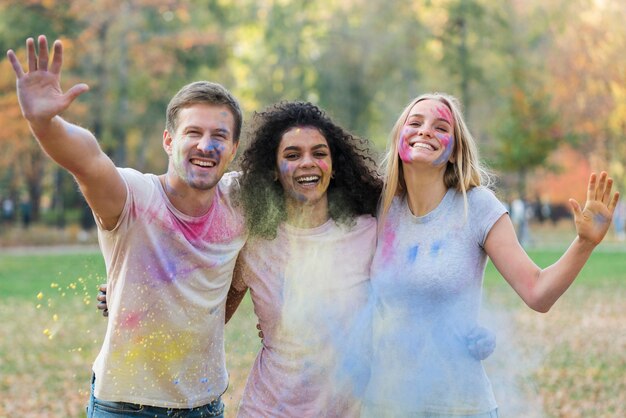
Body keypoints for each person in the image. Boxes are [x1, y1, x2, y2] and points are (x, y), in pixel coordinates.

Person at [7, 35, 246, 417]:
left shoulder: (240, 202)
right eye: (193, 133)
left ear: (233, 149)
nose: (206, 145)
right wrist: (45, 122)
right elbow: (87, 160)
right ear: (169, 141)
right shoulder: (135, 196)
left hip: (205, 405)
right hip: (124, 407)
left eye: (219, 136)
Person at [363, 92, 620, 417]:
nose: (425, 130)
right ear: (399, 135)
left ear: (455, 151)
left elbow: (538, 292)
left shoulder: (478, 206)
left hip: (461, 407)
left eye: (440, 126)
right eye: (415, 122)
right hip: (387, 405)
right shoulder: (379, 209)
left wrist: (584, 243)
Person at [224, 101, 382, 417]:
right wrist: (126, 295)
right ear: (273, 168)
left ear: (334, 164)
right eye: (292, 155)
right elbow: (208, 313)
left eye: (319, 154)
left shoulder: (368, 233)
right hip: (266, 410)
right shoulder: (254, 241)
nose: (307, 163)